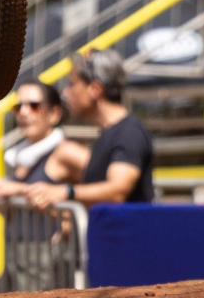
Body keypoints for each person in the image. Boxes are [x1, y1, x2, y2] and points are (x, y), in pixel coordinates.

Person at [25, 49, 153, 208]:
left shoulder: (129, 133)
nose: (65, 92)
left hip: (127, 233)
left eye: (72, 84)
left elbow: (118, 191)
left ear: (95, 89)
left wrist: (66, 192)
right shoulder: (109, 134)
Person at [0, 81, 87, 210]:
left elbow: (110, 188)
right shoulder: (22, 157)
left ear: (54, 113)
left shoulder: (66, 151)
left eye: (34, 106)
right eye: (18, 107)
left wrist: (66, 193)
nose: (23, 112)